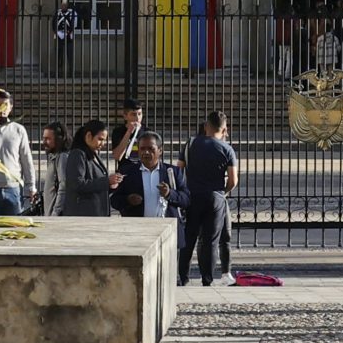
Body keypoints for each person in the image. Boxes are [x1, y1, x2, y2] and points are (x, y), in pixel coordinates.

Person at [113, 131, 187, 280]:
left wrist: (169, 194)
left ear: (160, 150)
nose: (146, 152)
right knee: (141, 277)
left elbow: (186, 199)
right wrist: (128, 200)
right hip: (139, 234)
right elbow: (114, 200)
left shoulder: (173, 172)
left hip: (167, 233)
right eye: (142, 149)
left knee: (168, 278)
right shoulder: (128, 173)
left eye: (151, 149)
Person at [183, 110, 238, 286]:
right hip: (215, 196)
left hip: (192, 195)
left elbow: (179, 169)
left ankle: (182, 277)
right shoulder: (227, 149)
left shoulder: (190, 144)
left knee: (189, 237)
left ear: (206, 126)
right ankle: (207, 278)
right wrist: (223, 192)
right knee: (211, 240)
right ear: (224, 129)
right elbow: (233, 179)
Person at [55, 118, 114, 217]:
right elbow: (77, 184)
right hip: (82, 214)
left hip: (95, 212)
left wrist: (111, 185)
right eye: (100, 139)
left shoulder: (93, 154)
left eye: (104, 140)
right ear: (89, 136)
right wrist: (106, 181)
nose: (103, 144)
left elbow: (96, 183)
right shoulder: (78, 154)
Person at [34, 125, 66, 217]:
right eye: (43, 138)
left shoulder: (62, 157)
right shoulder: (53, 157)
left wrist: (56, 212)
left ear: (58, 139)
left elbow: (63, 186)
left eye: (48, 139)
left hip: (55, 216)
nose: (44, 142)